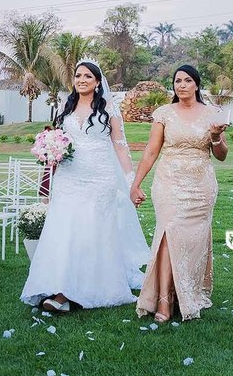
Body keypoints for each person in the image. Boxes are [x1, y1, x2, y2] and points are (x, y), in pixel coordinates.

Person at [21, 61, 148, 313]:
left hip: (100, 178)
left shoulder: (108, 108)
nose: (81, 80)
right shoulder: (65, 106)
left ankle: (85, 289)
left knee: (92, 233)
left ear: (97, 82)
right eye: (78, 76)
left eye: (88, 76)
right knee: (65, 231)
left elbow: (120, 146)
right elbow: (58, 141)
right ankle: (58, 287)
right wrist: (49, 153)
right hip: (69, 178)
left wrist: (130, 180)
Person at [130, 65, 227, 322]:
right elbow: (152, 150)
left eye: (186, 81)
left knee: (191, 243)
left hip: (201, 186)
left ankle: (185, 293)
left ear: (196, 84)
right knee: (166, 236)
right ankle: (162, 301)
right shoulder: (164, 113)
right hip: (169, 183)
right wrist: (136, 183)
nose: (181, 85)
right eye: (177, 81)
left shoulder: (212, 114)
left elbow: (221, 155)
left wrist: (216, 137)